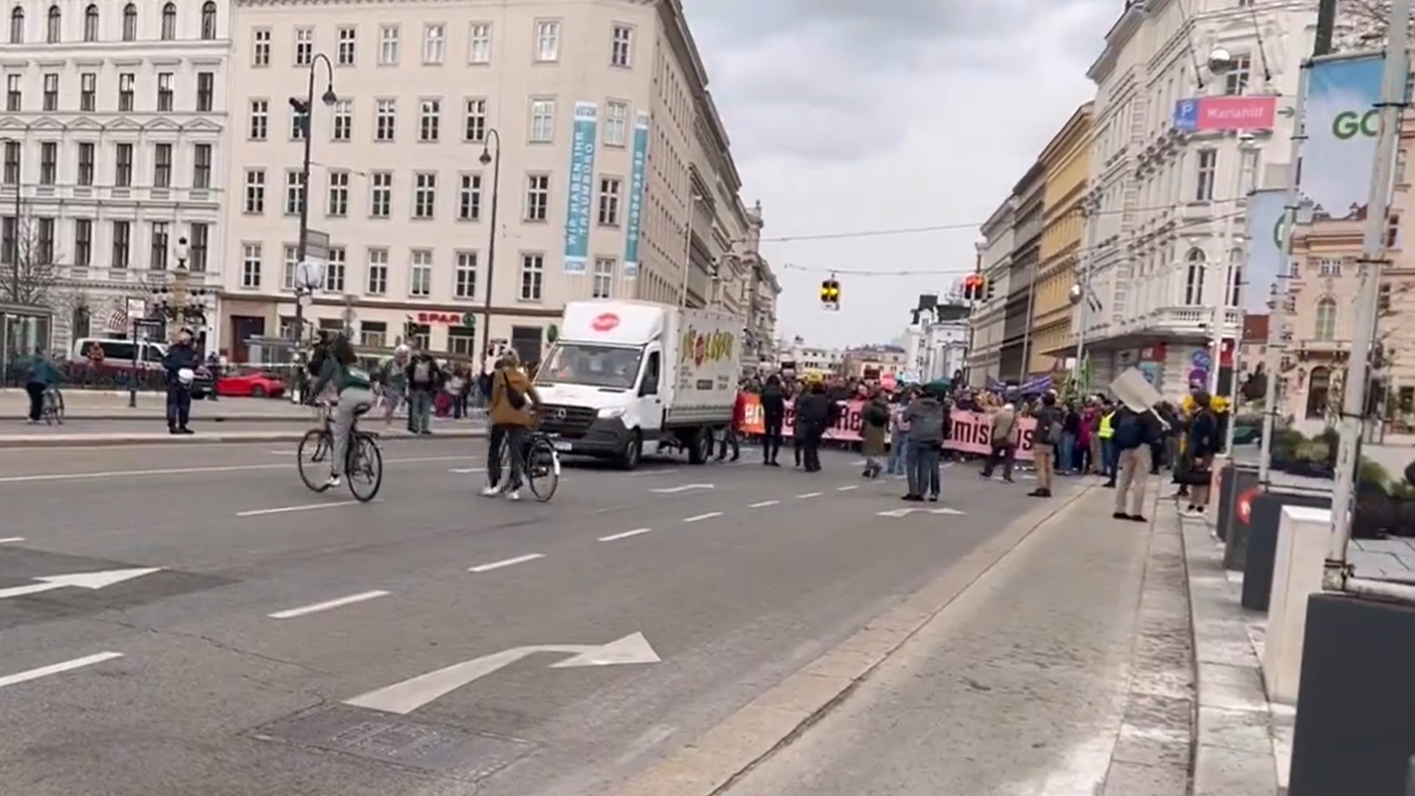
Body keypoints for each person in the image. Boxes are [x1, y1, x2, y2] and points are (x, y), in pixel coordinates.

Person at [307, 336, 374, 488]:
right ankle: (355, 457)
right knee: (350, 426)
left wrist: (311, 397)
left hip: (350, 396)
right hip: (368, 396)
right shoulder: (355, 361)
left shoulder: (332, 360)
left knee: (339, 436)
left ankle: (335, 475)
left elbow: (322, 380)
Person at [482, 350, 543, 500]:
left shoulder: (498, 376)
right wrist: (536, 410)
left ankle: (494, 483)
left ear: (503, 361)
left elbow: (495, 397)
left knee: (495, 449)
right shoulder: (522, 378)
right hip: (519, 419)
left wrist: (490, 411)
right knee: (516, 452)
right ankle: (515, 487)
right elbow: (535, 398)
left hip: (501, 417)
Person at [1112, 404, 1166, 522]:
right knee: (1140, 481)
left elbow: (1113, 423)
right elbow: (1155, 431)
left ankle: (1119, 509)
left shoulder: (1123, 410)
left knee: (1124, 480)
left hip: (1126, 447)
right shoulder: (1147, 413)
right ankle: (1136, 512)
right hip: (1142, 447)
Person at [903, 386, 945, 501]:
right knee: (925, 465)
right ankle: (922, 492)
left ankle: (913, 491)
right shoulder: (938, 406)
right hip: (933, 437)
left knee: (911, 464)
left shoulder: (916, 404)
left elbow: (905, 417)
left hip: (916, 437)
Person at [1184, 391, 1219, 516]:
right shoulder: (1203, 414)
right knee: (1196, 477)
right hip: (1201, 450)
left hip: (1202, 451)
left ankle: (1199, 505)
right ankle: (1194, 503)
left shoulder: (1204, 416)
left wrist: (1199, 454)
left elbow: (1204, 437)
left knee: (1200, 478)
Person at [162, 327, 200, 434]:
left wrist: (186, 367)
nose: (185, 338)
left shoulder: (191, 352)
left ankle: (183, 425)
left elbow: (195, 364)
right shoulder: (172, 349)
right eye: (183, 335)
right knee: (172, 403)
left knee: (184, 404)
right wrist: (178, 367)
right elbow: (165, 362)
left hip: (186, 383)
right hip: (173, 380)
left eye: (187, 336)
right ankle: (172, 425)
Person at [1029, 393, 1062, 498]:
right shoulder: (1057, 413)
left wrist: (1036, 403)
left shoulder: (1042, 412)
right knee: (1049, 466)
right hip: (1051, 440)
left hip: (1040, 440)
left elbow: (1031, 412)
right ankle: (1048, 487)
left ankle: (1041, 487)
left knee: (1041, 466)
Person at [795, 381, 831, 472]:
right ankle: (816, 463)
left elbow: (802, 411)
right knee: (814, 444)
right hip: (820, 424)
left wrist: (803, 418)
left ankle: (809, 464)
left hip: (810, 423)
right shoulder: (825, 400)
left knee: (808, 445)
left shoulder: (810, 399)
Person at [405, 348, 443, 434]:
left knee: (415, 408)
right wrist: (436, 384)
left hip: (415, 388)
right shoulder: (431, 364)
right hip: (427, 389)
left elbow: (407, 372)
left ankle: (415, 427)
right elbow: (441, 374)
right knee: (426, 409)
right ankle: (424, 428)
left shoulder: (414, 363)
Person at [980, 401, 1018, 482]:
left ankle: (987, 472)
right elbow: (1017, 425)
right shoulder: (1014, 415)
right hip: (1010, 438)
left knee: (994, 455)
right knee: (1009, 458)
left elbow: (994, 424)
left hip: (999, 436)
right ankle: (1006, 476)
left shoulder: (1000, 413)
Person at [21, 348, 61, 423]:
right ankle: (34, 416)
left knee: (34, 399)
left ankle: (34, 415)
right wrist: (63, 378)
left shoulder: (31, 362)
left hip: (30, 384)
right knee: (37, 399)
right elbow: (55, 372)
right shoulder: (45, 363)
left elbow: (26, 371)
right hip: (41, 383)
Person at [860, 388, 890, 479]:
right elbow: (888, 416)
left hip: (870, 426)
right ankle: (868, 469)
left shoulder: (868, 404)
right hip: (881, 428)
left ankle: (875, 465)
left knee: (868, 449)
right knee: (876, 450)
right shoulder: (885, 405)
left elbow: (863, 415)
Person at [759, 375, 786, 466]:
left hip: (767, 415)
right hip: (777, 416)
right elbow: (781, 407)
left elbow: (761, 402)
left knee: (766, 436)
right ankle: (773, 457)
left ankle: (766, 457)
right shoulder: (779, 393)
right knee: (776, 437)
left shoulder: (765, 391)